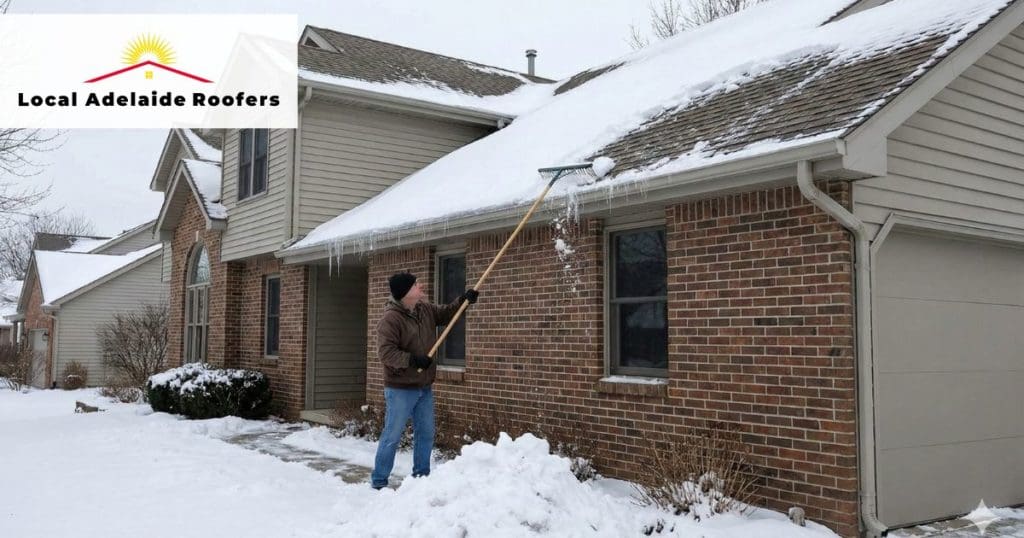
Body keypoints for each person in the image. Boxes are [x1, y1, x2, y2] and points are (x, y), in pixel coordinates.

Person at [370, 271, 479, 490]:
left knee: (426, 433)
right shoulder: (390, 319)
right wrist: (412, 360)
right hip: (400, 388)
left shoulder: (425, 309)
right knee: (392, 435)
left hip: (424, 386)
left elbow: (448, 314)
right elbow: (386, 353)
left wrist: (464, 301)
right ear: (405, 293)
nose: (420, 286)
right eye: (416, 285)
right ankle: (379, 481)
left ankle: (421, 478)